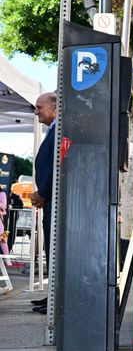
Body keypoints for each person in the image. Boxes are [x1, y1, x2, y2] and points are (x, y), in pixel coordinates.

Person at [29, 92, 57, 314]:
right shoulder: (53, 130)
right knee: (51, 249)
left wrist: (43, 193)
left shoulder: (59, 130)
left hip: (52, 199)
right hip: (50, 199)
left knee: (54, 250)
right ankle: (53, 296)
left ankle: (55, 299)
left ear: (55, 107)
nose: (36, 111)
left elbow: (54, 167)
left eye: (39, 107)